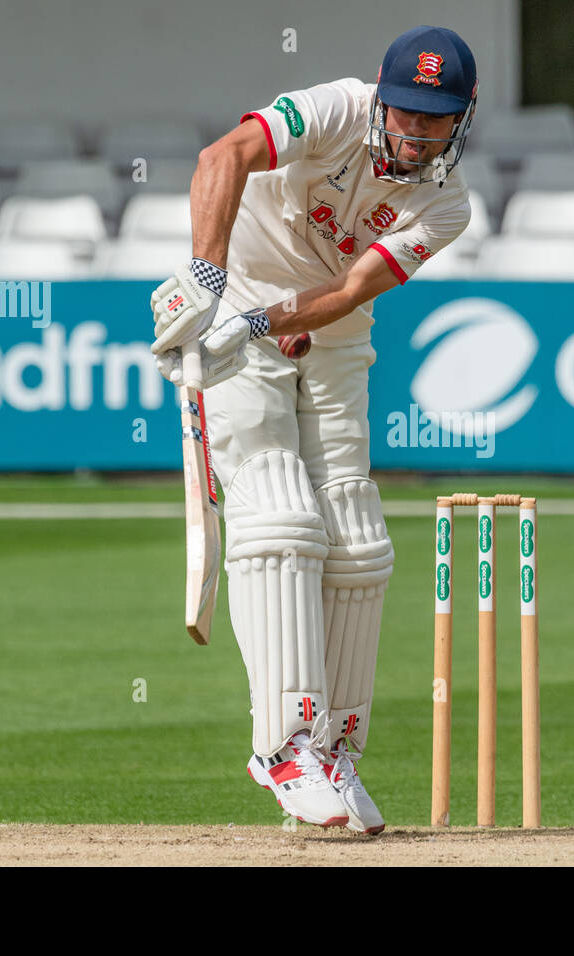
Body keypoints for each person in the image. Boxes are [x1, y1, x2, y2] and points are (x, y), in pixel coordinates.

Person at [148, 26, 477, 834]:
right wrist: (207, 283)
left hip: (329, 328)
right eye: (405, 112)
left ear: (462, 117)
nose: (415, 132)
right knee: (279, 510)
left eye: (435, 120)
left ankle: (334, 749)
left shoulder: (447, 204)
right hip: (235, 288)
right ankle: (285, 746)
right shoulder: (331, 110)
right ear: (380, 95)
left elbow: (352, 287)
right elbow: (221, 158)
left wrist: (264, 322)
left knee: (358, 539)